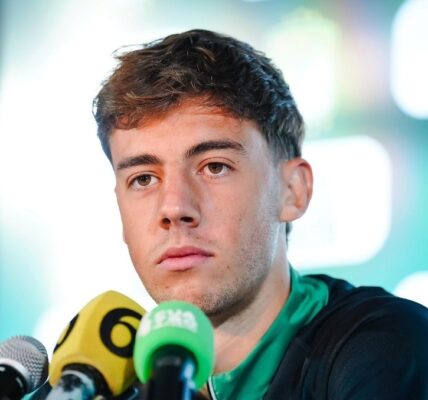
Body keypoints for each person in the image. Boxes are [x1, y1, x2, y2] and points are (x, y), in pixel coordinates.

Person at [90, 30, 428, 399]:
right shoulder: (102, 386)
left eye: (215, 167)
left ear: (292, 190)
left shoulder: (386, 345)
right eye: (143, 179)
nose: (173, 208)